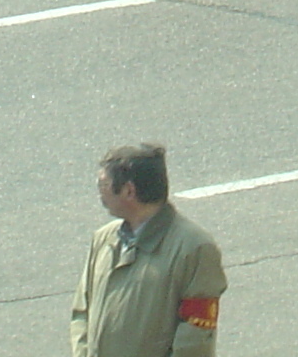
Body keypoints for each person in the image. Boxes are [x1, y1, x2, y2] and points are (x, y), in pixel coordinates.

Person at [69, 143, 227, 357]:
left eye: (103, 184)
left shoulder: (194, 248)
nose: (100, 193)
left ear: (128, 191)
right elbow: (82, 312)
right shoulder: (103, 240)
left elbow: (195, 337)